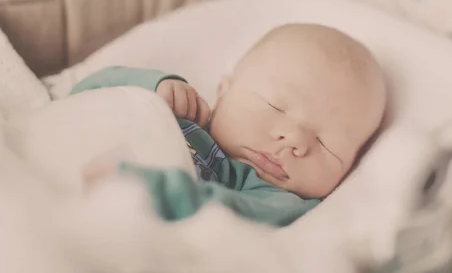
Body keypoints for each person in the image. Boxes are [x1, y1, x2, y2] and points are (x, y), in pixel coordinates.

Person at [71, 23, 387, 227]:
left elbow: (231, 217)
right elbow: (84, 98)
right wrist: (150, 88)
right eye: (275, 105)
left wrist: (159, 191)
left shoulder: (281, 204)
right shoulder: (178, 112)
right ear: (223, 93)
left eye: (326, 143)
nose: (294, 140)